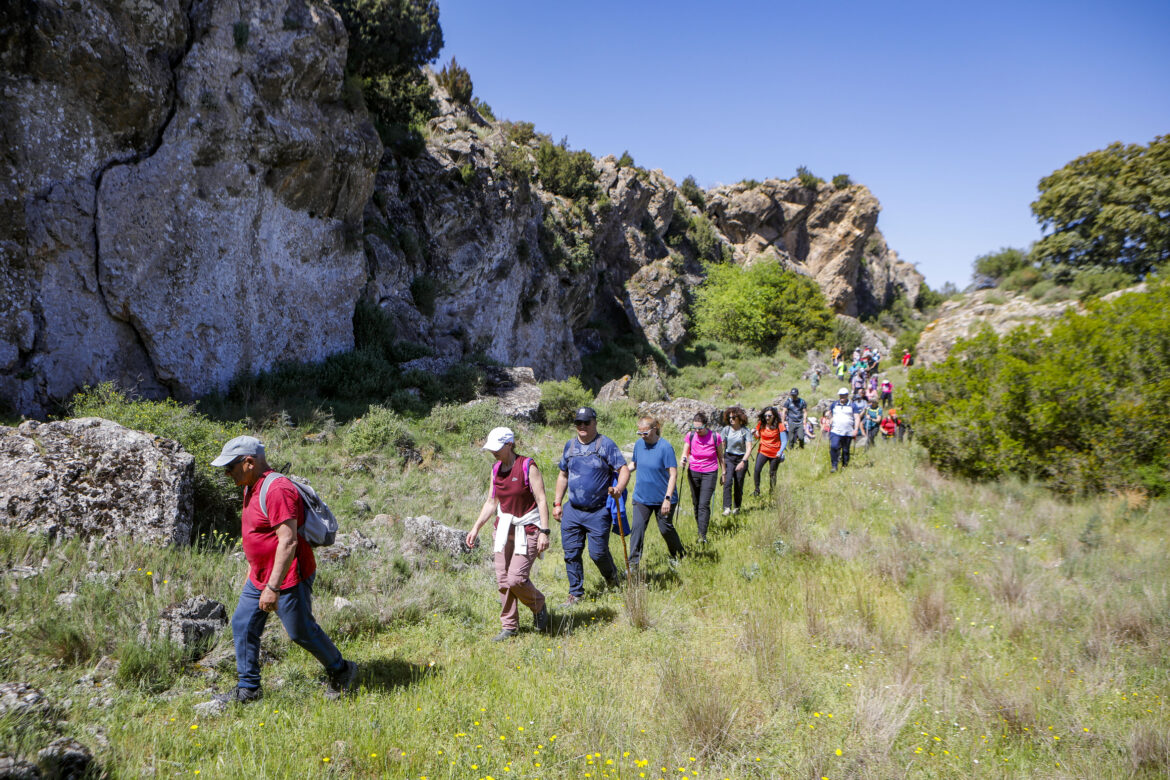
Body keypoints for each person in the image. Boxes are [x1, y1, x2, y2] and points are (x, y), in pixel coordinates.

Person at [210, 436, 355, 704]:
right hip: (259, 576)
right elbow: (258, 535)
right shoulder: (249, 485)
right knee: (243, 623)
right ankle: (248, 689)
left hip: (288, 577)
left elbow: (287, 541)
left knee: (300, 631)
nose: (227, 473)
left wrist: (273, 587)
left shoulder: (277, 490)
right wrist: (253, 572)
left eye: (229, 467)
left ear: (249, 462)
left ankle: (342, 669)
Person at [465, 427, 550, 641]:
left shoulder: (527, 466)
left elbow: (541, 500)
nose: (493, 452)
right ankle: (509, 626)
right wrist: (476, 527)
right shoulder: (495, 470)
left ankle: (538, 605)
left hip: (528, 529)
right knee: (503, 580)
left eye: (497, 447)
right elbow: (491, 502)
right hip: (503, 529)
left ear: (509, 444)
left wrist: (544, 532)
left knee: (516, 578)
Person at [553, 407, 627, 606]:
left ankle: (612, 579)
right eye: (579, 423)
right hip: (572, 511)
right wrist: (558, 503)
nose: (582, 426)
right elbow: (563, 475)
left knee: (598, 553)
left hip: (598, 511)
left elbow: (623, 469)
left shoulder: (605, 445)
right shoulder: (569, 446)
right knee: (571, 552)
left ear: (595, 423)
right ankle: (575, 594)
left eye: (586, 422)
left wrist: (619, 487)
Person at [627, 415, 685, 571]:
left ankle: (679, 555)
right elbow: (634, 463)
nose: (642, 436)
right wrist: (622, 471)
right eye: (640, 433)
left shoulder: (665, 447)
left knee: (665, 528)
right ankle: (633, 565)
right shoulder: (639, 445)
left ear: (655, 429)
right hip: (642, 498)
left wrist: (667, 498)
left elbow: (673, 474)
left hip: (663, 499)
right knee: (637, 530)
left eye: (645, 433)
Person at [680, 412, 723, 544]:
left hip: (710, 472)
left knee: (704, 504)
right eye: (695, 428)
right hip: (693, 472)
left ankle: (702, 535)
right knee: (696, 503)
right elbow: (685, 452)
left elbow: (721, 456)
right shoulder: (691, 436)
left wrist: (724, 473)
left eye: (700, 428)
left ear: (706, 425)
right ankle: (700, 527)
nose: (697, 430)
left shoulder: (715, 437)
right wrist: (683, 459)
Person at [720, 406, 752, 515]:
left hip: (741, 458)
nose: (731, 420)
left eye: (733, 417)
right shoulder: (726, 430)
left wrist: (743, 462)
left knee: (738, 483)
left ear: (739, 418)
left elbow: (749, 448)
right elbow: (721, 446)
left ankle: (737, 507)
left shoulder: (745, 431)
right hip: (728, 457)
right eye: (729, 417)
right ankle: (727, 507)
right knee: (728, 481)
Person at [750, 407, 785, 496]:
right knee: (757, 470)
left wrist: (780, 452)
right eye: (766, 415)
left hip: (775, 453)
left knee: (772, 473)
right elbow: (757, 436)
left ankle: (772, 491)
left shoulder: (779, 425)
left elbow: (784, 440)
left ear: (774, 416)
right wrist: (754, 433)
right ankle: (757, 490)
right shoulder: (761, 424)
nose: (767, 417)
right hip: (763, 451)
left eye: (769, 415)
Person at [829, 388, 861, 473]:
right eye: (841, 395)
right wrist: (829, 420)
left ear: (847, 395)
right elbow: (830, 414)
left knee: (846, 450)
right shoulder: (834, 404)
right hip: (835, 430)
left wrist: (856, 429)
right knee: (834, 446)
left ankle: (844, 465)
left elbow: (857, 417)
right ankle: (834, 466)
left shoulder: (852, 405)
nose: (842, 397)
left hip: (848, 431)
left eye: (844, 395)